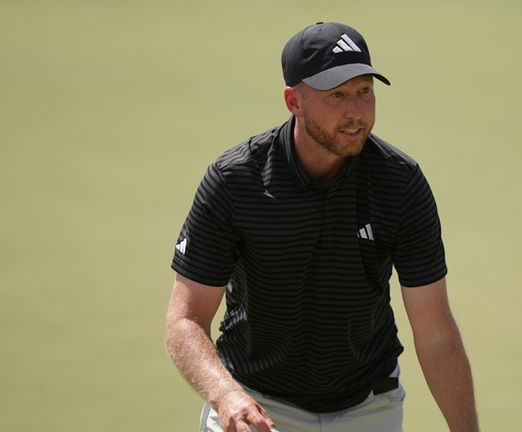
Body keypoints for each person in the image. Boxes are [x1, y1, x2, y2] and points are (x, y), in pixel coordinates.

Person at [165, 21, 480, 432]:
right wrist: (225, 395)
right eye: (337, 95)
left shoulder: (400, 183)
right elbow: (185, 320)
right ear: (294, 101)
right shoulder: (234, 181)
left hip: (369, 406)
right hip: (255, 403)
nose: (356, 112)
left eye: (365, 92)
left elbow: (436, 331)